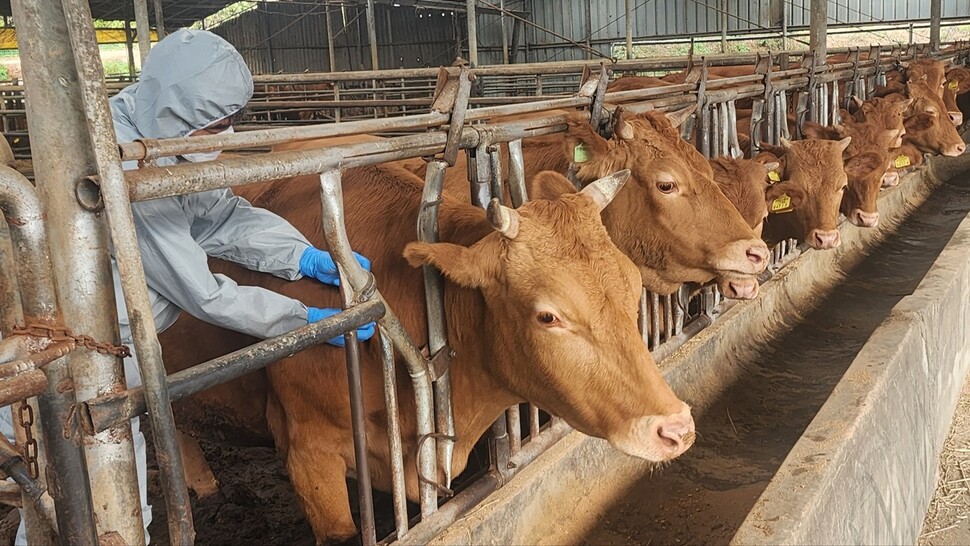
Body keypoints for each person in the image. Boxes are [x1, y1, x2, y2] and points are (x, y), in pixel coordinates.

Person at [3, 28, 374, 544]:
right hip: (68, 357)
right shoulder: (121, 163)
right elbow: (201, 292)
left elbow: (219, 214)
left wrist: (303, 256)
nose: (222, 137)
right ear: (180, 114)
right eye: (214, 126)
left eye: (228, 124)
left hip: (105, 343)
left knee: (85, 496)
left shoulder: (155, 129)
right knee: (90, 502)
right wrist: (303, 321)